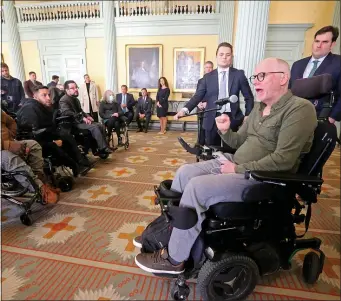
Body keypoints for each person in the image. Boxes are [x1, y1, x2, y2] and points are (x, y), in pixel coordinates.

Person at [134, 58, 318, 274]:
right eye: (255, 77)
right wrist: (226, 131)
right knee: (184, 173)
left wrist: (238, 169)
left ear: (283, 78)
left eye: (262, 76)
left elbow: (283, 160)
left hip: (263, 178)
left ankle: (175, 259)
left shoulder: (299, 109)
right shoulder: (259, 108)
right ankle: (168, 234)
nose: (255, 81)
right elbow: (239, 142)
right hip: (236, 163)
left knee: (197, 188)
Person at [174, 42, 254, 146]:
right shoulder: (208, 77)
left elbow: (249, 97)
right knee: (212, 152)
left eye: (228, 55)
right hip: (212, 118)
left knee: (230, 152)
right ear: (216, 56)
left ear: (231, 57)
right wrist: (184, 110)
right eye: (221, 54)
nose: (224, 57)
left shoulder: (239, 74)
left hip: (232, 118)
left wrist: (248, 116)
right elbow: (198, 96)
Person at [16, 86, 89, 176]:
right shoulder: (30, 109)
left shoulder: (41, 107)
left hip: (44, 135)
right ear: (35, 96)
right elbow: (31, 133)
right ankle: (75, 165)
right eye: (44, 95)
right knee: (58, 143)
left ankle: (80, 163)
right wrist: (53, 141)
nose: (48, 98)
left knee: (66, 136)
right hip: (34, 141)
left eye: (49, 95)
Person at [1, 110, 60, 203]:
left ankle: (40, 180)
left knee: (33, 145)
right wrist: (6, 145)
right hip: (3, 150)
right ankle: (39, 190)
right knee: (8, 157)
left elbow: (11, 122)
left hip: (7, 143)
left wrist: (11, 138)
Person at [290, 25, 341, 123]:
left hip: (320, 118)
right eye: (317, 41)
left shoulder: (338, 63)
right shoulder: (297, 65)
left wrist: (332, 118)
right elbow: (289, 91)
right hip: (293, 116)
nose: (319, 45)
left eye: (324, 42)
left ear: (332, 44)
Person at [59, 80, 112, 155]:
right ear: (67, 90)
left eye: (76, 87)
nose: (76, 89)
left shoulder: (75, 99)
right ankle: (102, 148)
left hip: (80, 121)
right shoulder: (64, 100)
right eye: (73, 88)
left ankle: (99, 148)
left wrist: (87, 116)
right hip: (72, 123)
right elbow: (68, 112)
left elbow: (81, 111)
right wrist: (82, 118)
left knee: (100, 125)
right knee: (94, 127)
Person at [197, 61, 214, 145]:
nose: (208, 69)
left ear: (212, 68)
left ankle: (209, 145)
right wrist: (199, 102)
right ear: (204, 69)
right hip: (200, 106)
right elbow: (198, 93)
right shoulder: (200, 81)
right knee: (201, 126)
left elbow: (214, 94)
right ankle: (200, 144)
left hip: (211, 106)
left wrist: (208, 103)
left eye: (210, 67)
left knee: (209, 128)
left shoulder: (216, 81)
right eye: (206, 67)